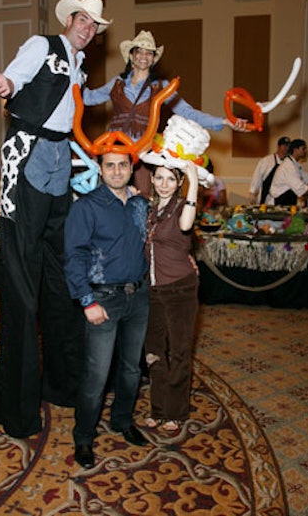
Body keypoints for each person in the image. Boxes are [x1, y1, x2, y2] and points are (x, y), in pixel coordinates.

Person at [0, 0, 112, 439]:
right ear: (70, 19)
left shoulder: (79, 66)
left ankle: (62, 384)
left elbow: (75, 112)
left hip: (60, 162)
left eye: (94, 24)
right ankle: (17, 408)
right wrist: (7, 86)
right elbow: (16, 80)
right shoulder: (41, 45)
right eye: (83, 19)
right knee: (23, 283)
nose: (88, 27)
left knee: (62, 276)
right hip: (27, 157)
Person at [83, 30, 248, 196]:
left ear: (153, 59)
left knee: (142, 198)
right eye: (139, 51)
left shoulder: (162, 86)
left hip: (144, 154)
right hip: (116, 151)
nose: (143, 56)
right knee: (109, 197)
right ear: (131, 56)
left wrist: (223, 122)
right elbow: (88, 98)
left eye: (149, 53)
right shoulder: (116, 84)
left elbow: (187, 112)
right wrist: (73, 78)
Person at [64, 150, 149, 469]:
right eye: (110, 165)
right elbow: (74, 257)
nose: (116, 171)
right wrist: (87, 301)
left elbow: (154, 243)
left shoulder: (141, 205)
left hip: (138, 297)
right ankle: (84, 437)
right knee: (96, 375)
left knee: (131, 368)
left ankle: (122, 420)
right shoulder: (86, 206)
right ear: (99, 169)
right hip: (103, 298)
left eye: (122, 165)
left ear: (131, 168)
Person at [141, 158, 199, 432]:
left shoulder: (180, 208)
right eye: (160, 178)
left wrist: (194, 182)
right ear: (152, 180)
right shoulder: (149, 209)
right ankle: (159, 408)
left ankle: (176, 412)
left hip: (180, 290)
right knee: (153, 352)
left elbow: (187, 225)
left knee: (178, 352)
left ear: (179, 183)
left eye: (171, 179)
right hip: (152, 290)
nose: (164, 184)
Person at [269, 139, 308, 206]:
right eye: (303, 149)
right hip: (279, 203)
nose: (306, 151)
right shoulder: (288, 167)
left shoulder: (296, 165)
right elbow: (302, 191)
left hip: (288, 201)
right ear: (295, 150)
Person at [248, 136, 291, 205]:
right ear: (278, 147)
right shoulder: (266, 161)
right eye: (285, 146)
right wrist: (253, 192)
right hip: (268, 200)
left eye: (288, 146)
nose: (287, 148)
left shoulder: (290, 162)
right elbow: (257, 177)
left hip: (285, 199)